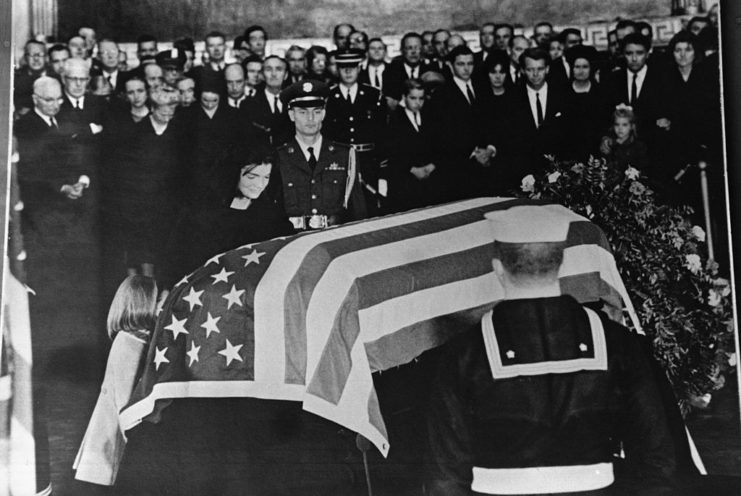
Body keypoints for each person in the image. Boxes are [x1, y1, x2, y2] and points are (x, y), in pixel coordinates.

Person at [427, 205, 679, 496]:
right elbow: (656, 457)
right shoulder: (617, 342)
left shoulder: (464, 352)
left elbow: (445, 476)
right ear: (561, 263)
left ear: (497, 267)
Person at [162, 146, 294, 288]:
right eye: (252, 177)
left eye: (266, 177)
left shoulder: (271, 216)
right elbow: (176, 260)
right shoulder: (202, 214)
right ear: (233, 173)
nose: (260, 185)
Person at [73, 275, 158, 486]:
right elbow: (124, 400)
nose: (161, 306)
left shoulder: (137, 339)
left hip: (115, 437)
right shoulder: (129, 342)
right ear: (143, 303)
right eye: (157, 301)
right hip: (113, 440)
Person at [276, 79, 366, 230]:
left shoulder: (344, 155)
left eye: (316, 112)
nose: (310, 118)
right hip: (291, 241)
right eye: (303, 112)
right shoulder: (279, 157)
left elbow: (358, 210)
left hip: (334, 240)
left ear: (323, 114)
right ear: (292, 115)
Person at [324, 49, 387, 214]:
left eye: (352, 66)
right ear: (337, 69)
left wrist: (382, 169)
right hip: (339, 162)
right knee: (343, 210)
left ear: (359, 68)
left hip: (368, 162)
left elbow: (382, 133)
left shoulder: (374, 95)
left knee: (372, 207)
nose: (348, 71)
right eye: (343, 67)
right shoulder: (328, 97)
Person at [385, 78, 441, 212]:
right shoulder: (394, 119)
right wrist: (412, 169)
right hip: (405, 181)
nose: (418, 103)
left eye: (421, 98)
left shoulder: (431, 116)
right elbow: (391, 152)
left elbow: (440, 144)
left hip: (430, 177)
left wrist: (432, 165)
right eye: (413, 98)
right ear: (404, 97)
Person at [566, 44, 610, 160]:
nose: (581, 71)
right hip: (568, 150)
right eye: (577, 67)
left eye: (585, 67)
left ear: (591, 68)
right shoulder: (562, 93)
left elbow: (606, 121)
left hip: (595, 150)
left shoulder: (601, 93)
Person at [239, 55, 292, 146]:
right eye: (268, 69)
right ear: (262, 75)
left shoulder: (294, 103)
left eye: (278, 69)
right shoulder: (248, 105)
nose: (274, 74)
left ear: (286, 75)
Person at [599, 104, 649, 174]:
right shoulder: (609, 144)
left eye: (624, 125)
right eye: (617, 124)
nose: (620, 128)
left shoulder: (639, 147)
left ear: (632, 126)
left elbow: (643, 170)